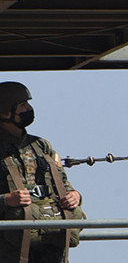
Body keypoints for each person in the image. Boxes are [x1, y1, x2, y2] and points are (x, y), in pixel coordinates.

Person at [0, 82, 81, 263]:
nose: (29, 108)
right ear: (5, 112)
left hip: (51, 244)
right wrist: (6, 200)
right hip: (8, 250)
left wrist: (75, 196)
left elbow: (63, 183)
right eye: (22, 105)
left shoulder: (41, 146)